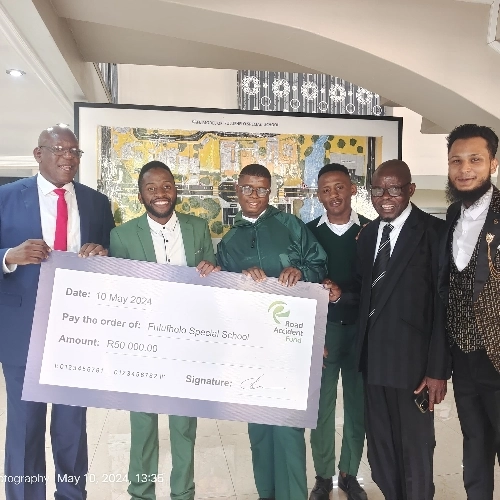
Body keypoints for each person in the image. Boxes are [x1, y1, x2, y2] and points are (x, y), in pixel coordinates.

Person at [0, 125, 115, 500]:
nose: (69, 157)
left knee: (71, 429)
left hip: (77, 333)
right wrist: (9, 256)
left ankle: (71, 495)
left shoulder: (97, 203)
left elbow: (113, 259)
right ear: (38, 154)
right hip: (23, 333)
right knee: (25, 428)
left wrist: (103, 255)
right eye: (59, 149)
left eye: (74, 151)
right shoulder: (5, 198)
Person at [326, 160, 450, 500]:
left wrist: (438, 370)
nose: (385, 197)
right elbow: (367, 292)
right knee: (381, 453)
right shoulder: (368, 236)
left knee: (415, 452)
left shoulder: (434, 233)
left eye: (394, 189)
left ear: (410, 190)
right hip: (372, 362)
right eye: (378, 189)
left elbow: (443, 307)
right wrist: (340, 294)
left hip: (414, 368)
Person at [216, 163, 327, 500]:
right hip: (251, 345)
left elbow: (319, 264)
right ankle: (267, 493)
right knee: (259, 427)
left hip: (291, 341)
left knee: (289, 427)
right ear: (237, 191)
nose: (255, 195)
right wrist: (238, 279)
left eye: (262, 189)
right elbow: (224, 295)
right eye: (248, 188)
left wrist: (300, 270)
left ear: (270, 192)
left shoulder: (290, 225)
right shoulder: (230, 240)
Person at [109, 161, 218, 500]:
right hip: (142, 345)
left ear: (175, 190)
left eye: (167, 186)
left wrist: (211, 269)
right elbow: (117, 293)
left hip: (187, 343)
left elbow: (213, 280)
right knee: (143, 426)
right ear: (141, 194)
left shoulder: (198, 228)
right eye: (152, 188)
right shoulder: (122, 235)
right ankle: (141, 493)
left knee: (184, 427)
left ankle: (183, 493)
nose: (160, 193)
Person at [438, 124, 500, 500]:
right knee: (474, 444)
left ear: (493, 163)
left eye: (475, 159)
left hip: (498, 356)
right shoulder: (451, 216)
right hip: (463, 357)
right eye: (456, 161)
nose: (464, 169)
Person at [306, 164, 369, 500]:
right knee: (321, 406)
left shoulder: (371, 231)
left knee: (358, 406)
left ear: (353, 189)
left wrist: (343, 293)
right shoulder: (307, 233)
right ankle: (323, 476)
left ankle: (349, 474)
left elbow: (377, 285)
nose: (334, 195)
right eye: (326, 189)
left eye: (340, 187)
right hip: (324, 332)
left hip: (361, 331)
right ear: (319, 195)